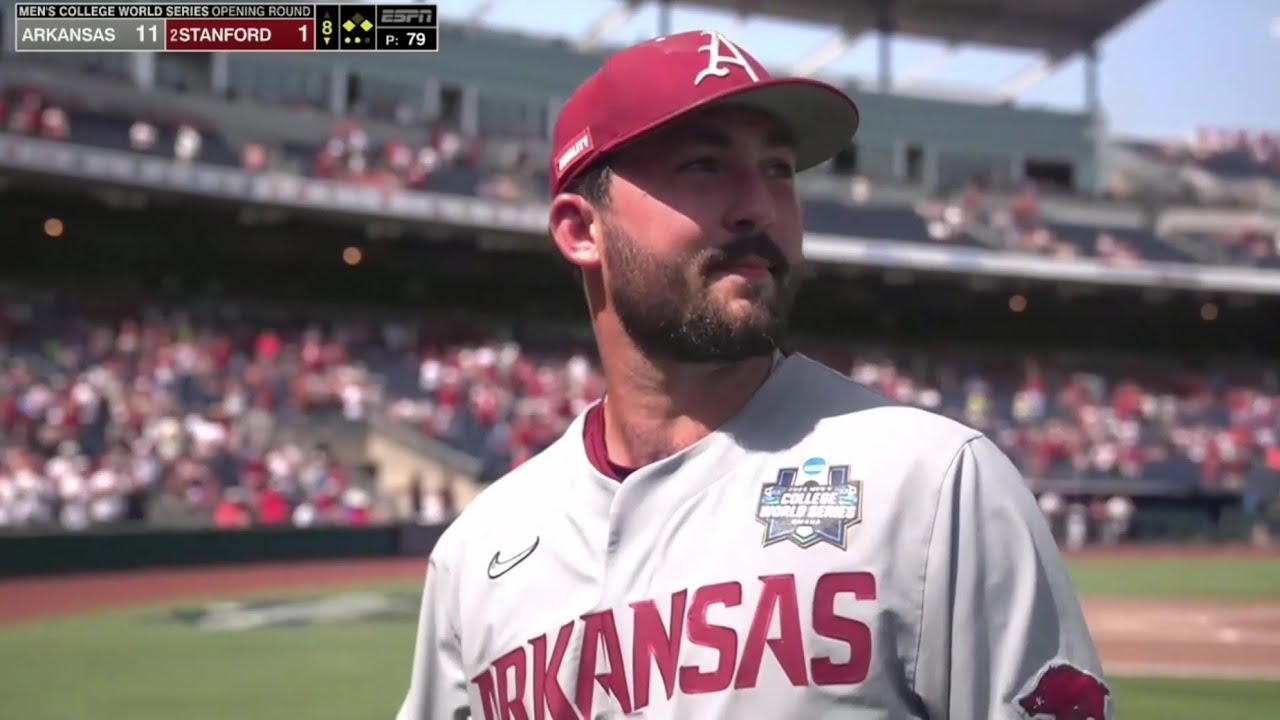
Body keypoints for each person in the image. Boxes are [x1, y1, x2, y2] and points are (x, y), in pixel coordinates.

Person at [398, 29, 1109, 720]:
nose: (759, 207)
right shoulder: (479, 550)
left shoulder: (934, 482)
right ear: (583, 231)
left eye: (778, 169)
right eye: (704, 167)